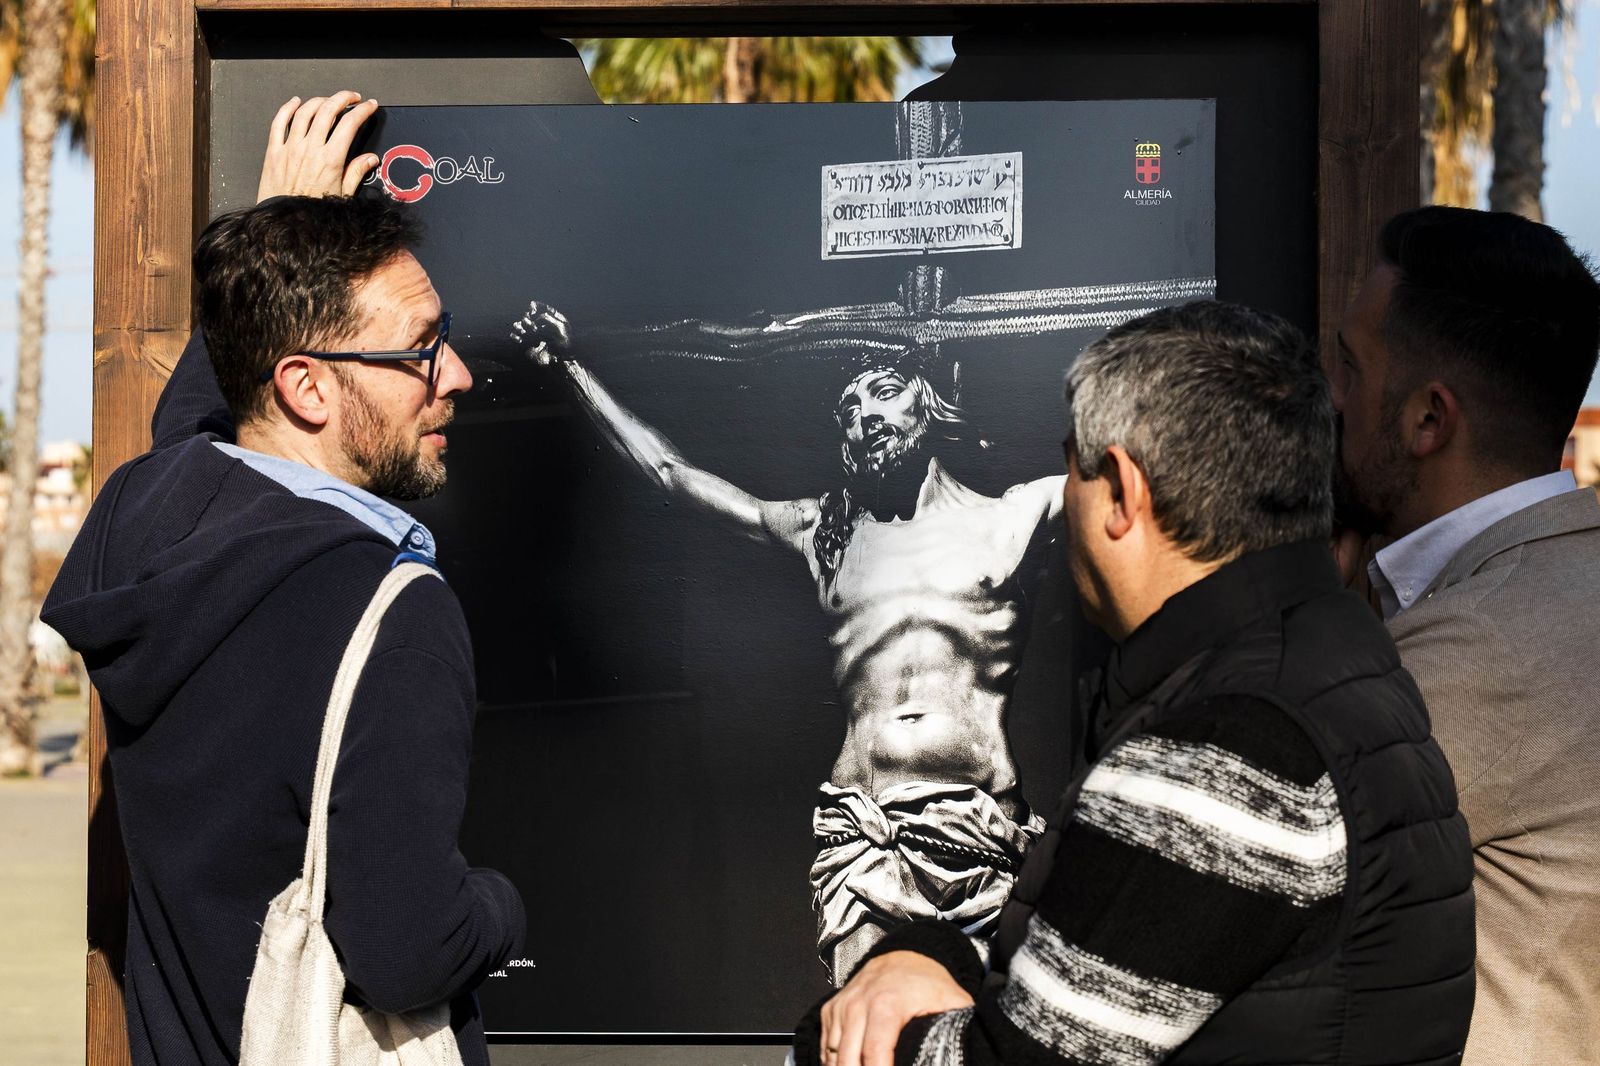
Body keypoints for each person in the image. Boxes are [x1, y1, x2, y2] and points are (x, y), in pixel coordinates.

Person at [791, 300, 1475, 1066]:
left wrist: (828, 1038)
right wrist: (931, 956)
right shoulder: (1340, 659)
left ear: (1120, 491)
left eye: (1071, 464)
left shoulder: (1226, 748)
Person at [41, 95, 525, 1065]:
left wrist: (278, 236)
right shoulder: (388, 611)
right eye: (419, 349)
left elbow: (195, 440)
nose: (457, 373)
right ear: (305, 387)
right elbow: (406, 953)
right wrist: (502, 907)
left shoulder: (138, 527)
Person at [515, 306, 1062, 984]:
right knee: (865, 1047)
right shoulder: (826, 533)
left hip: (976, 837)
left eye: (884, 392)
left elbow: (1147, 464)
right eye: (849, 409)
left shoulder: (1016, 517)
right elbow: (669, 473)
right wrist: (570, 367)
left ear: (934, 405)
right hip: (864, 837)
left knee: (979, 1044)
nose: (864, 415)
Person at [1331, 205, 1600, 1066]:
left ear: (1427, 421)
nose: (1329, 397)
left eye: (1348, 368)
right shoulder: (1559, 584)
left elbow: (1226, 868)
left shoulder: (1482, 644)